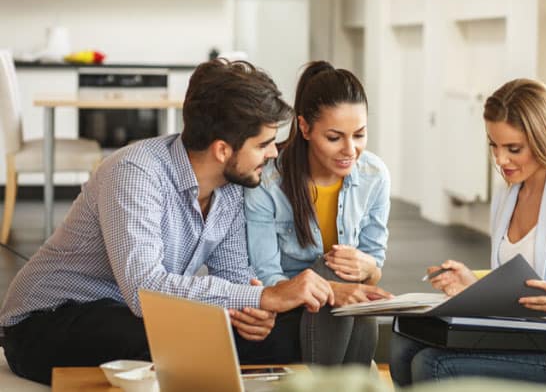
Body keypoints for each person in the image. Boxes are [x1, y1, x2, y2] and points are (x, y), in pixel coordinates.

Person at [0, 59, 335, 385]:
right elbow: (144, 289)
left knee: (289, 334)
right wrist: (264, 298)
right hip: (47, 321)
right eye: (263, 144)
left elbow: (234, 278)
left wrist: (253, 312)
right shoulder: (135, 172)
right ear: (222, 150)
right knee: (170, 338)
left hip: (136, 314)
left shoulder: (233, 187)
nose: (274, 153)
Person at [390, 79, 546, 390]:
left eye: (513, 149)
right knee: (404, 348)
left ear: (544, 139)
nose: (500, 160)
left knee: (433, 364)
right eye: (493, 145)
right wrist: (474, 285)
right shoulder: (507, 194)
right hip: (524, 339)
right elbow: (518, 289)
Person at [244, 61, 391, 366]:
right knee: (331, 271)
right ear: (306, 127)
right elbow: (267, 277)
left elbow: (374, 268)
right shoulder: (268, 183)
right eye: (335, 138)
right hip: (289, 306)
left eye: (359, 135)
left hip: (343, 312)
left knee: (348, 280)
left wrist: (367, 268)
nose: (350, 150)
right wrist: (331, 288)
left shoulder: (375, 175)